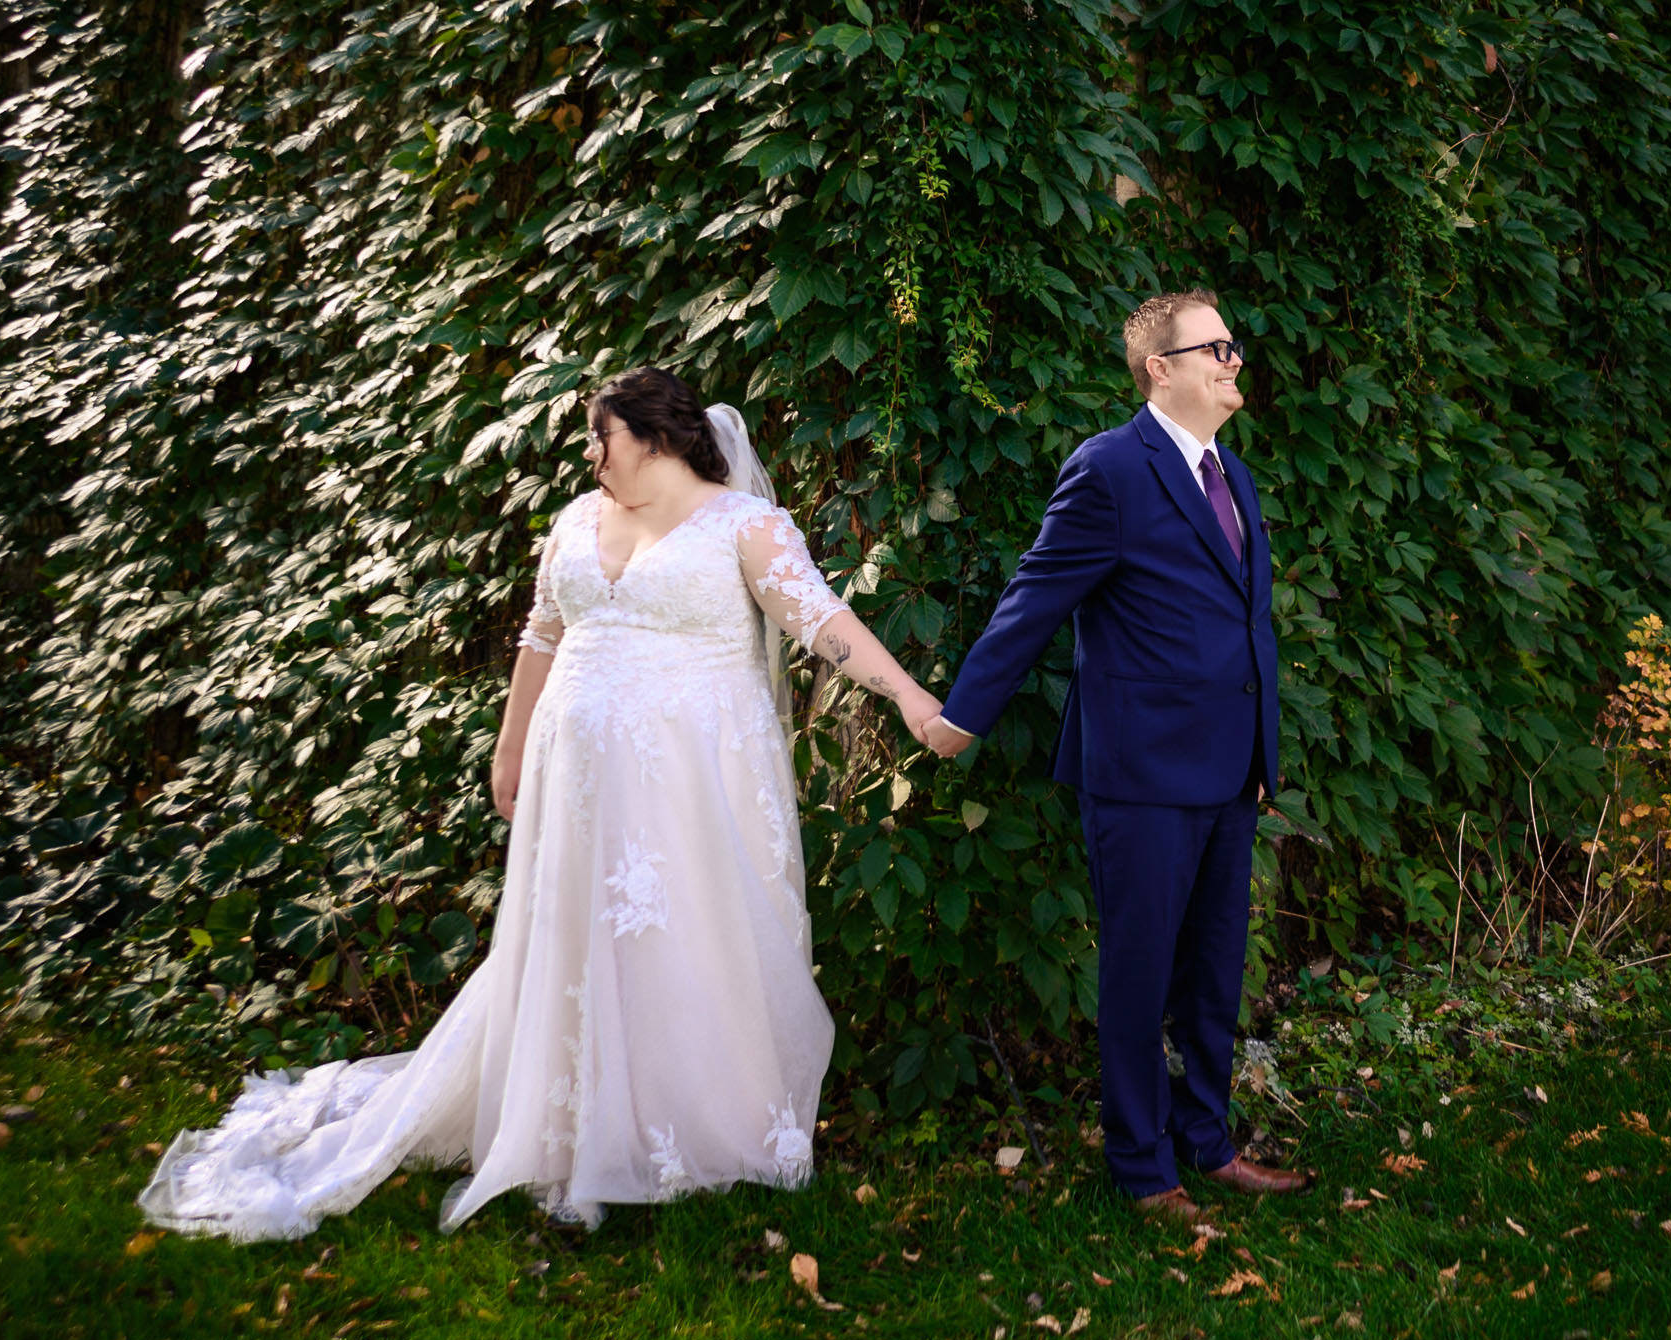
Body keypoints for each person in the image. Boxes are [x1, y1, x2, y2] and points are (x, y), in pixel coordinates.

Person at [140, 368, 941, 1238]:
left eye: (604, 436)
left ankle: (680, 1122)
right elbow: (541, 635)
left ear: (657, 435)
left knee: (678, 938)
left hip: (688, 783)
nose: (591, 454)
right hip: (577, 779)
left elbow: (821, 621)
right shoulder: (572, 522)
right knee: (575, 934)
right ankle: (569, 1131)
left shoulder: (744, 526)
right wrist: (510, 740)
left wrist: (905, 694)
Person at [916, 291, 1309, 1223]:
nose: (1233, 359)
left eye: (1234, 341)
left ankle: (1207, 1143)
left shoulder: (1235, 477)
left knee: (1216, 972)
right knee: (1139, 975)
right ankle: (1142, 1167)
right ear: (1158, 369)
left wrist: (1263, 750)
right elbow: (1035, 597)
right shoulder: (1109, 470)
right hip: (1141, 775)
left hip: (1230, 771)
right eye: (1212, 345)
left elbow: (1247, 626)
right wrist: (960, 717)